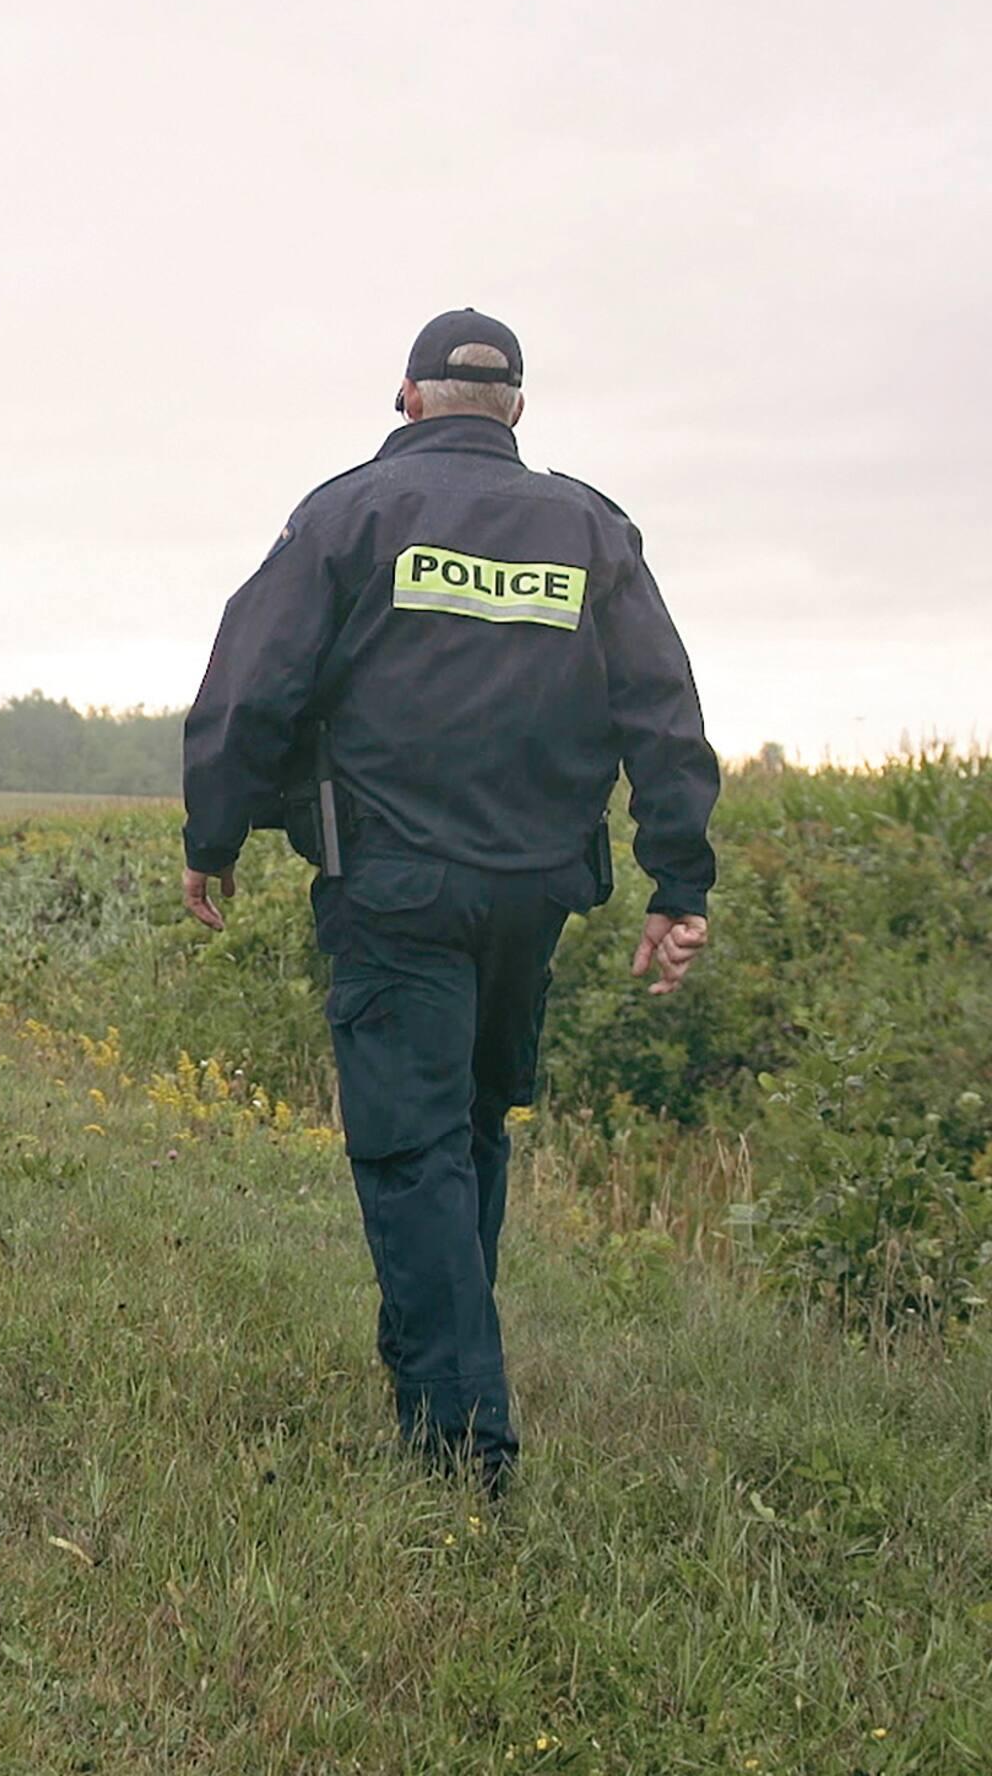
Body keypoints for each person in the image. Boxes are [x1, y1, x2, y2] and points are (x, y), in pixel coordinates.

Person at [179, 310, 718, 1492]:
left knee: (411, 1146)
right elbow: (661, 711)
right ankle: (436, 1375)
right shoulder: (590, 526)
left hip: (393, 884)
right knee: (468, 1132)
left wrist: (211, 838)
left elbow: (250, 684)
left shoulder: (348, 515)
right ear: (515, 409)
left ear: (406, 399)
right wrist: (677, 881)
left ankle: (463, 1441)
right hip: (535, 894)